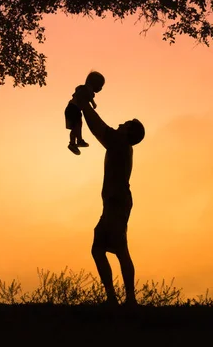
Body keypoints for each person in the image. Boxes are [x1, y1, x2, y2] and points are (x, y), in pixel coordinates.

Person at [75, 88, 145, 306]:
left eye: (125, 125)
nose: (120, 125)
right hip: (114, 202)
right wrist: (84, 104)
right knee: (99, 249)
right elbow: (99, 128)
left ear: (128, 133)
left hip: (117, 202)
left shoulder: (120, 143)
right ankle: (113, 298)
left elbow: (98, 128)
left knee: (120, 249)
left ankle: (129, 299)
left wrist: (84, 104)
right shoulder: (121, 144)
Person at [64, 71, 105, 155]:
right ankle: (75, 142)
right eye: (100, 85)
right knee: (77, 126)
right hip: (73, 108)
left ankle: (76, 142)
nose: (100, 88)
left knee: (77, 126)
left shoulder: (85, 90)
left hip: (73, 109)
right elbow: (86, 96)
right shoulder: (84, 89)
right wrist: (93, 103)